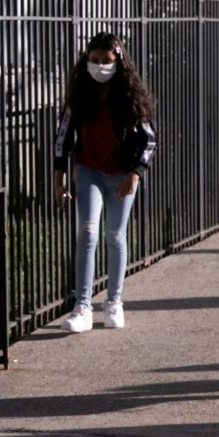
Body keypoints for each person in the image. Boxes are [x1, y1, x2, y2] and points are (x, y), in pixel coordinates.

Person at [53, 32, 156, 332]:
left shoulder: (128, 98)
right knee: (87, 233)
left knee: (115, 235)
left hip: (122, 176)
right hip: (88, 172)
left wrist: (135, 173)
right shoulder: (80, 96)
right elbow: (62, 138)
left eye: (106, 61)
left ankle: (114, 301)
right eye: (94, 60)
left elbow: (149, 140)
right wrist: (58, 178)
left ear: (118, 62)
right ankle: (82, 306)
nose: (99, 67)